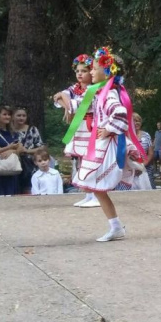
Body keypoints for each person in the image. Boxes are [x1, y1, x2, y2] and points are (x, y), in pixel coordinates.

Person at [65, 47, 143, 242]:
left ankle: (128, 165)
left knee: (94, 181)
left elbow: (121, 114)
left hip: (108, 145)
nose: (91, 71)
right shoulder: (98, 92)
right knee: (98, 188)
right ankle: (116, 226)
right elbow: (79, 106)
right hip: (103, 143)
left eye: (94, 68)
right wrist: (62, 97)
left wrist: (108, 129)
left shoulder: (109, 94)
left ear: (107, 72)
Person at [53, 54, 99, 207]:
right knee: (81, 160)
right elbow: (59, 98)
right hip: (80, 127)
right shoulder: (76, 88)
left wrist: (64, 99)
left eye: (84, 71)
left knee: (91, 161)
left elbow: (75, 106)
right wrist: (63, 98)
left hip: (92, 127)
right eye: (78, 70)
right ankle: (87, 193)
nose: (80, 74)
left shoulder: (94, 88)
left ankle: (96, 195)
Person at [12, 107, 46, 194]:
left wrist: (26, 151)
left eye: (24, 116)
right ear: (13, 117)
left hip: (29, 164)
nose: (21, 118)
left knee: (28, 188)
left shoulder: (32, 129)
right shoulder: (9, 130)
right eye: (18, 115)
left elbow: (41, 147)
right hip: (12, 164)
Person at [132, 113, 156, 189]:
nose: (137, 123)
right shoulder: (125, 136)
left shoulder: (146, 135)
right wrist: (134, 167)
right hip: (131, 171)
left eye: (138, 121)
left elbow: (150, 153)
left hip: (145, 169)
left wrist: (141, 166)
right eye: (134, 121)